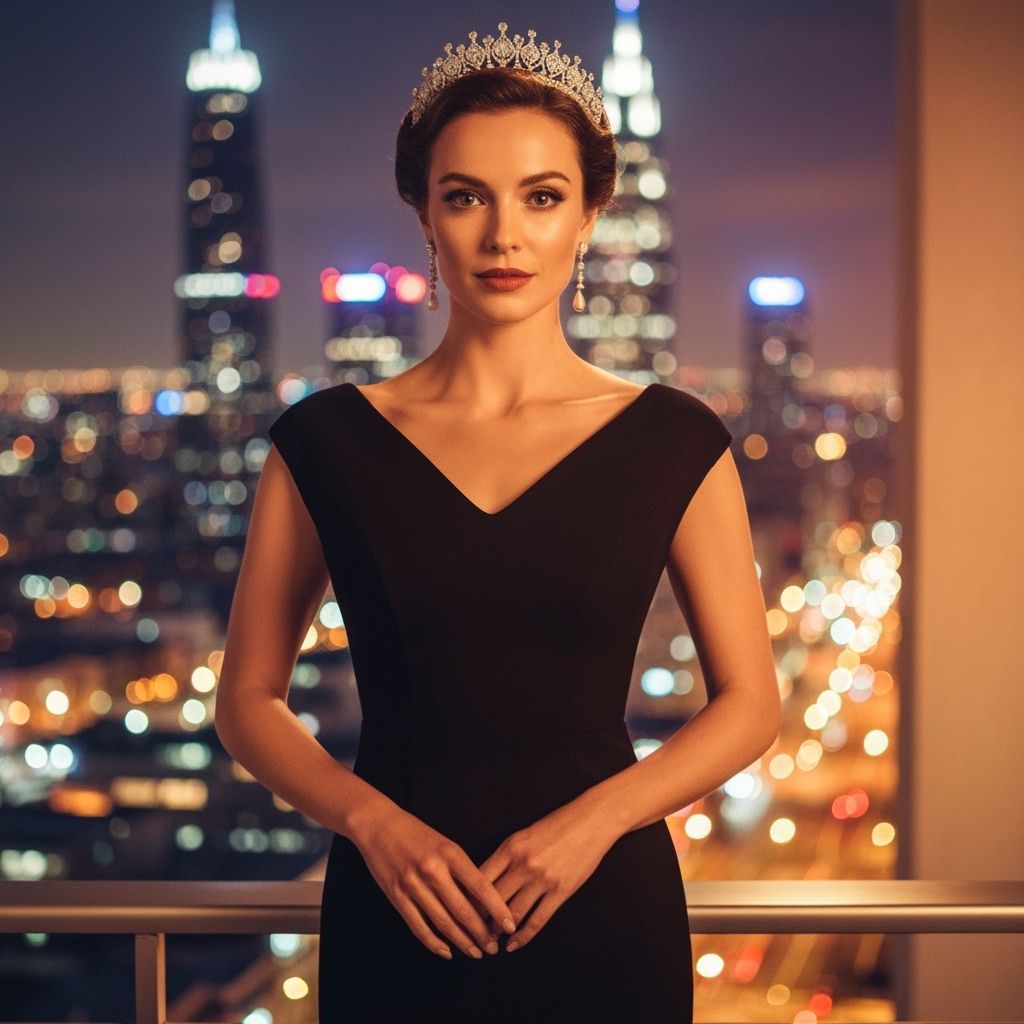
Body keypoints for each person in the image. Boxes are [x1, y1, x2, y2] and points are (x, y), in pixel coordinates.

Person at [215, 21, 780, 1022]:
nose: (503, 235)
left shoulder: (673, 438)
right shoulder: (325, 442)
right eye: (466, 196)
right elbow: (247, 700)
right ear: (425, 218)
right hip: (398, 908)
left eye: (542, 197)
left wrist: (594, 824)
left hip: (601, 905)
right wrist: (373, 825)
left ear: (590, 216)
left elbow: (751, 704)